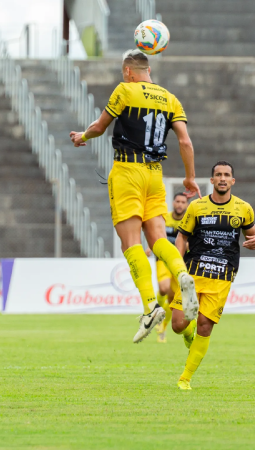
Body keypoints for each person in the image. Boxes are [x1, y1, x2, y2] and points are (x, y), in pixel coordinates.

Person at [70, 49, 201, 344]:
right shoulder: (170, 98)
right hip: (155, 175)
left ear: (129, 71)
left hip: (128, 171)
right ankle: (181, 274)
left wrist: (82, 136)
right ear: (149, 69)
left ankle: (150, 306)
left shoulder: (125, 89)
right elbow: (185, 140)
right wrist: (190, 178)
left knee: (131, 243)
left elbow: (100, 127)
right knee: (158, 241)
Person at [169, 161, 255, 390]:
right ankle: (187, 332)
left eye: (227, 175)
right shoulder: (196, 207)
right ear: (211, 180)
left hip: (222, 275)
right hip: (192, 273)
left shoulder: (243, 208)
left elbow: (254, 235)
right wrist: (178, 267)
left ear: (233, 181)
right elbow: (182, 237)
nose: (222, 178)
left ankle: (185, 378)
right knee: (177, 325)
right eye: (218, 175)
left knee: (205, 325)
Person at [153, 192, 189, 343]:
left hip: (180, 263)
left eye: (183, 202)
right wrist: (151, 246)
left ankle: (163, 326)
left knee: (173, 302)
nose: (180, 204)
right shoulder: (164, 218)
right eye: (178, 201)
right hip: (163, 260)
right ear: (173, 203)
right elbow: (154, 234)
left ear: (186, 205)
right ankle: (155, 313)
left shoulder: (189, 221)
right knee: (163, 288)